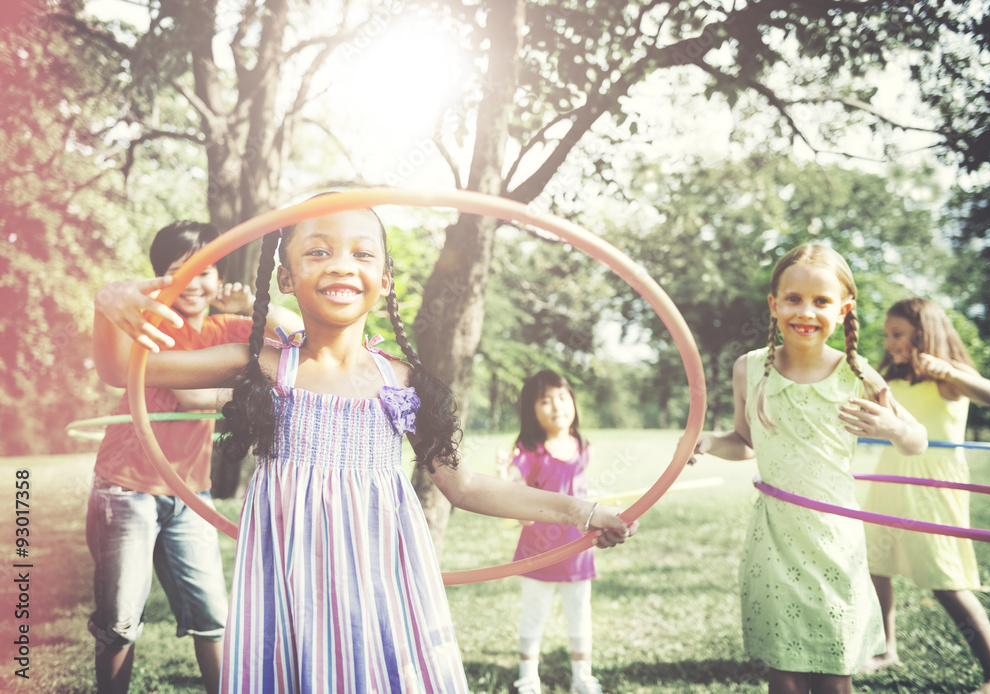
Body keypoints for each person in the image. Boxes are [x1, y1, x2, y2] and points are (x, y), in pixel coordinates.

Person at [91, 202, 638, 693]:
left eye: (361, 253)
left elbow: (465, 486)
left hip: (382, 593)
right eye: (318, 251)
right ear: (284, 275)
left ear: (385, 277)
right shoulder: (257, 365)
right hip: (290, 593)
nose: (340, 264)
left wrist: (581, 511)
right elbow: (122, 369)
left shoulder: (404, 383)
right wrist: (108, 299)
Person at [690, 243, 927, 694]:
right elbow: (745, 443)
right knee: (785, 671)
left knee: (835, 671)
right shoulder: (750, 369)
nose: (806, 311)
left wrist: (894, 427)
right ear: (774, 304)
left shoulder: (856, 373)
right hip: (775, 538)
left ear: (843, 311)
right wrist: (709, 442)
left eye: (821, 301)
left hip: (835, 540)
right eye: (794, 299)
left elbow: (917, 442)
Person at [87, 220, 301, 694]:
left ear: (219, 277)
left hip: (190, 492)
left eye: (206, 269)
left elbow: (299, 336)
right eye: (180, 270)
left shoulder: (229, 327)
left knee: (214, 618)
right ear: (159, 278)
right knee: (121, 621)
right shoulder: (151, 327)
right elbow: (191, 398)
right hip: (126, 487)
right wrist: (238, 392)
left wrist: (253, 305)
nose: (195, 281)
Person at [861, 297, 990, 693]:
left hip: (934, 486)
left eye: (898, 334)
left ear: (924, 333)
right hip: (890, 477)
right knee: (877, 564)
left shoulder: (950, 379)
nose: (889, 342)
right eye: (888, 335)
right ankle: (887, 648)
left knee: (945, 580)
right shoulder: (894, 380)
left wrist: (951, 370)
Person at [496, 370, 603, 694]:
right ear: (532, 411)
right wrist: (505, 474)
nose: (556, 406)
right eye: (545, 401)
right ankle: (528, 678)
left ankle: (582, 676)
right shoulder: (530, 452)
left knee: (579, 613)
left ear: (572, 401)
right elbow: (513, 482)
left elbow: (580, 487)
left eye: (561, 397)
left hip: (578, 549)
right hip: (538, 551)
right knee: (534, 613)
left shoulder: (583, 447)